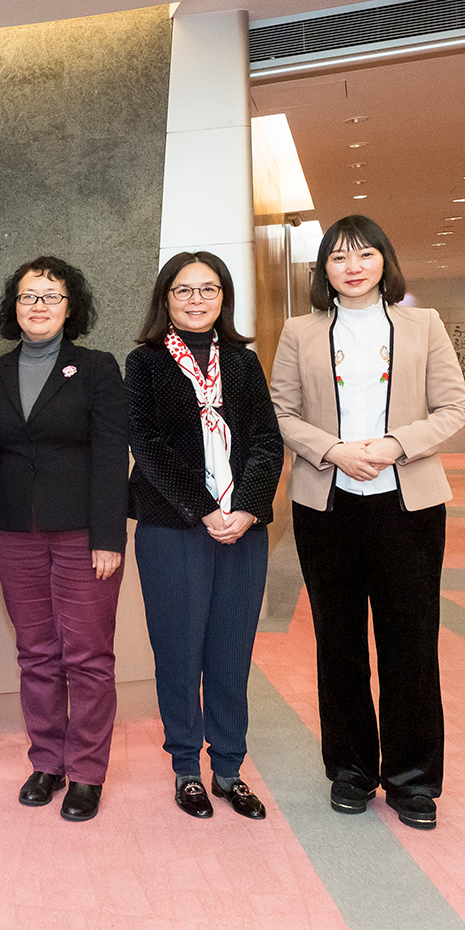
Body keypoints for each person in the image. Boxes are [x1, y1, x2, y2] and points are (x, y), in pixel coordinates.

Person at [270, 215, 465, 830]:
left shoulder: (422, 324)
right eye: (338, 257)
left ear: (385, 260)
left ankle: (414, 780)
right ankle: (352, 769)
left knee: (411, 644)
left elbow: (454, 407)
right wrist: (333, 451)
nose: (352, 267)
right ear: (323, 270)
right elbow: (281, 411)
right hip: (327, 508)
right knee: (339, 643)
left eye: (364, 254)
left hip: (408, 508)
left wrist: (394, 445)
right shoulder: (300, 332)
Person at [126, 251, 283, 821]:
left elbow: (267, 440)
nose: (197, 300)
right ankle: (187, 768)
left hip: (242, 532)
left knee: (231, 652)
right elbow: (146, 444)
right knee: (178, 652)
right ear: (165, 299)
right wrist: (204, 509)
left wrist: (248, 509)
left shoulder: (242, 361)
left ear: (224, 297)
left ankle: (230, 769)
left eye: (208, 289)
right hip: (174, 529)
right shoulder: (144, 363)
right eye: (184, 290)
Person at [0, 256, 128, 822]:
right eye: (28, 296)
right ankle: (47, 762)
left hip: (84, 535)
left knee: (87, 656)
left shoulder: (97, 368)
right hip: (14, 534)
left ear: (70, 306)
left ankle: (86, 771)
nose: (38, 306)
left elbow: (111, 456)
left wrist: (109, 536)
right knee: (35, 653)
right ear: (12, 307)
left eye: (51, 296)